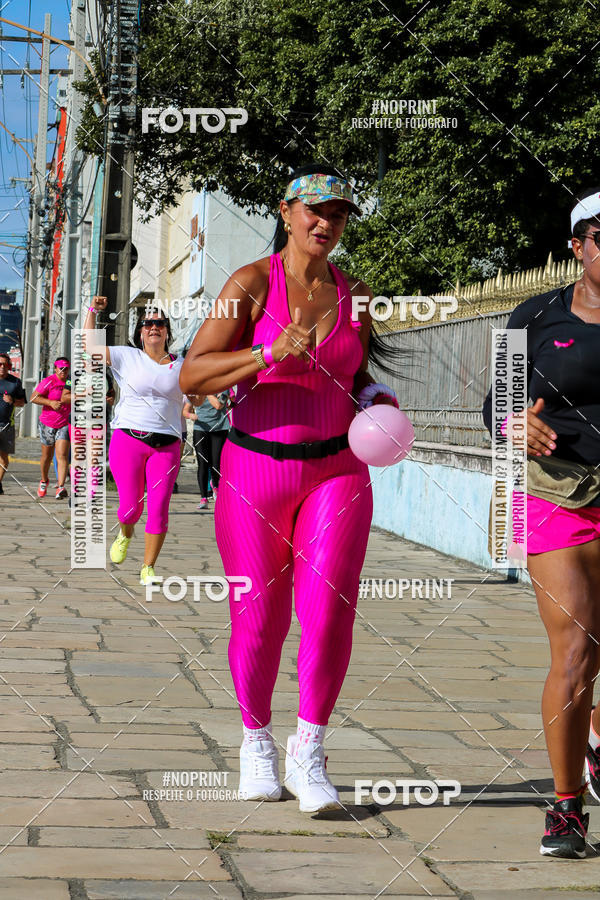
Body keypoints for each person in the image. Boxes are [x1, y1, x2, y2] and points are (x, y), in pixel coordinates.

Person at [180, 164, 402, 813]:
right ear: (285, 212)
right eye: (314, 211)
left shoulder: (355, 292)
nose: (325, 224)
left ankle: (309, 750)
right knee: (259, 620)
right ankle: (256, 743)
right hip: (255, 473)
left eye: (337, 214)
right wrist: (267, 354)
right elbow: (194, 375)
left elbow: (357, 373)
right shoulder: (250, 284)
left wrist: (376, 396)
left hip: (337, 473)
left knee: (330, 609)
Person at [483, 186, 600, 859]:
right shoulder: (535, 315)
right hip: (556, 495)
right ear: (578, 245)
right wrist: (512, 426)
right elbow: (493, 405)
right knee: (577, 650)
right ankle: (565, 809)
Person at [84, 299, 185, 585]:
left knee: (159, 507)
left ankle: (148, 568)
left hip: (166, 446)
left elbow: (195, 396)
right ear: (140, 332)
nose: (154, 327)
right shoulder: (127, 356)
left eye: (159, 324)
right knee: (130, 509)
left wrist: (200, 398)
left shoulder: (181, 365)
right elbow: (90, 347)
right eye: (148, 324)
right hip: (128, 440)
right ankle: (125, 532)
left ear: (167, 332)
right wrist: (92, 310)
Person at [183, 391, 231, 510]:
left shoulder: (223, 388)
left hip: (219, 429)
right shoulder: (199, 389)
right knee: (202, 463)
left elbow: (218, 405)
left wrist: (208, 392)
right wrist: (191, 416)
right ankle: (203, 497)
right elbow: (185, 410)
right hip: (201, 429)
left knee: (216, 463)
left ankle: (215, 485)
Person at [32, 357, 71, 499]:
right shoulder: (49, 381)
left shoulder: (71, 382)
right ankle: (44, 480)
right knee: (47, 456)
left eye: (66, 368)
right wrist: (50, 402)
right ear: (55, 369)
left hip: (64, 424)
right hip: (47, 423)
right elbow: (33, 398)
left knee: (62, 455)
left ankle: (60, 487)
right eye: (60, 368)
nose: (63, 371)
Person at [0, 353, 26, 494]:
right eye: (0, 364)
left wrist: (12, 401)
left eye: (5, 364)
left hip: (7, 425)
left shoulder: (16, 382)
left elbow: (22, 402)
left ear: (9, 366)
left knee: (4, 458)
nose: (2, 367)